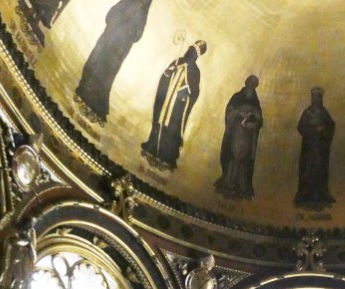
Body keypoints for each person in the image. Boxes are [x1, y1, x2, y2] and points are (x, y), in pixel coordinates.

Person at [74, 0, 153, 125]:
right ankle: (84, 90)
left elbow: (137, 35)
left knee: (106, 76)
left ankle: (95, 103)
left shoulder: (143, 12)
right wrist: (118, 25)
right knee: (94, 63)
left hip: (117, 51)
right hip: (108, 40)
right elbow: (111, 14)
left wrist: (126, 31)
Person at [141, 41, 207, 171]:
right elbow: (165, 77)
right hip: (166, 101)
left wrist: (186, 89)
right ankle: (152, 146)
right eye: (190, 48)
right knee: (158, 123)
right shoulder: (178, 61)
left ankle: (166, 156)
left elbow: (194, 92)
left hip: (177, 108)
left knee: (171, 130)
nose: (190, 51)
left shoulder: (195, 71)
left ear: (197, 55)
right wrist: (169, 72)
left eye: (193, 51)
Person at [214, 75, 263, 200]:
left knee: (244, 159)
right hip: (236, 131)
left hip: (247, 135)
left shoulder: (255, 101)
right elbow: (229, 110)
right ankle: (228, 180)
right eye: (250, 83)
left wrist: (254, 122)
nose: (251, 86)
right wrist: (238, 113)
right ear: (246, 83)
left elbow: (259, 120)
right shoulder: (237, 97)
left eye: (254, 84)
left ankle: (241, 183)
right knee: (232, 155)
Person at [293, 87, 335, 210]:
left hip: (321, 149)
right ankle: (306, 194)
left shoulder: (324, 113)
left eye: (319, 97)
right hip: (309, 148)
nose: (317, 99)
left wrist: (324, 129)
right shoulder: (307, 113)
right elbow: (300, 127)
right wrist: (313, 130)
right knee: (307, 170)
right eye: (315, 97)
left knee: (320, 170)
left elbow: (331, 125)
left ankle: (320, 194)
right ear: (312, 98)